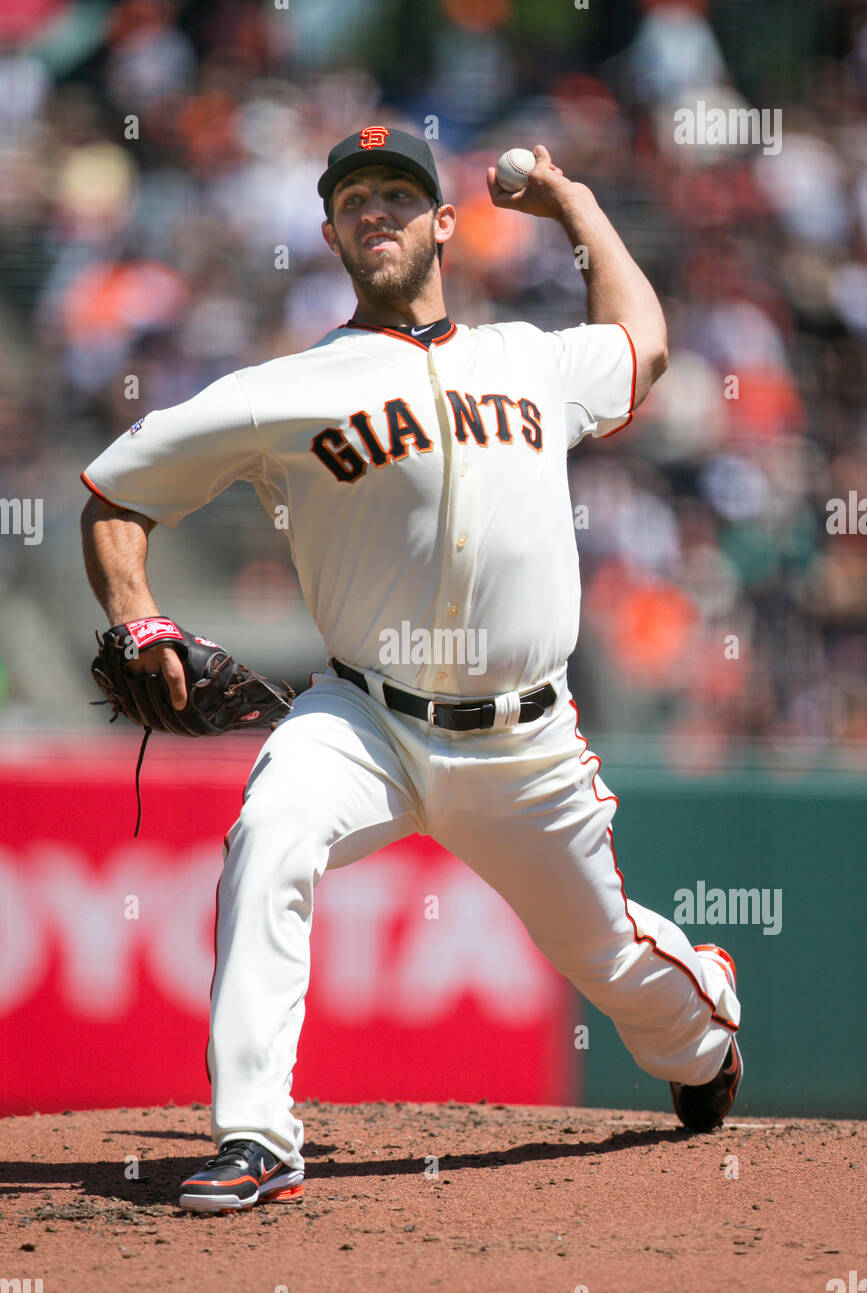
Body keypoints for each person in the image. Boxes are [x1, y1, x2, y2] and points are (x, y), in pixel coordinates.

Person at [80, 127, 742, 1212]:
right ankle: (256, 1133)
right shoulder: (281, 391)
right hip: (363, 721)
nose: (375, 210)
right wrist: (139, 618)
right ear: (331, 232)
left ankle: (709, 1026)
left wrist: (572, 202)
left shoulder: (529, 357)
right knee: (269, 831)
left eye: (398, 193)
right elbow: (115, 493)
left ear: (444, 223)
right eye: (354, 199)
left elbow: (645, 341)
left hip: (526, 743)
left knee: (619, 969)